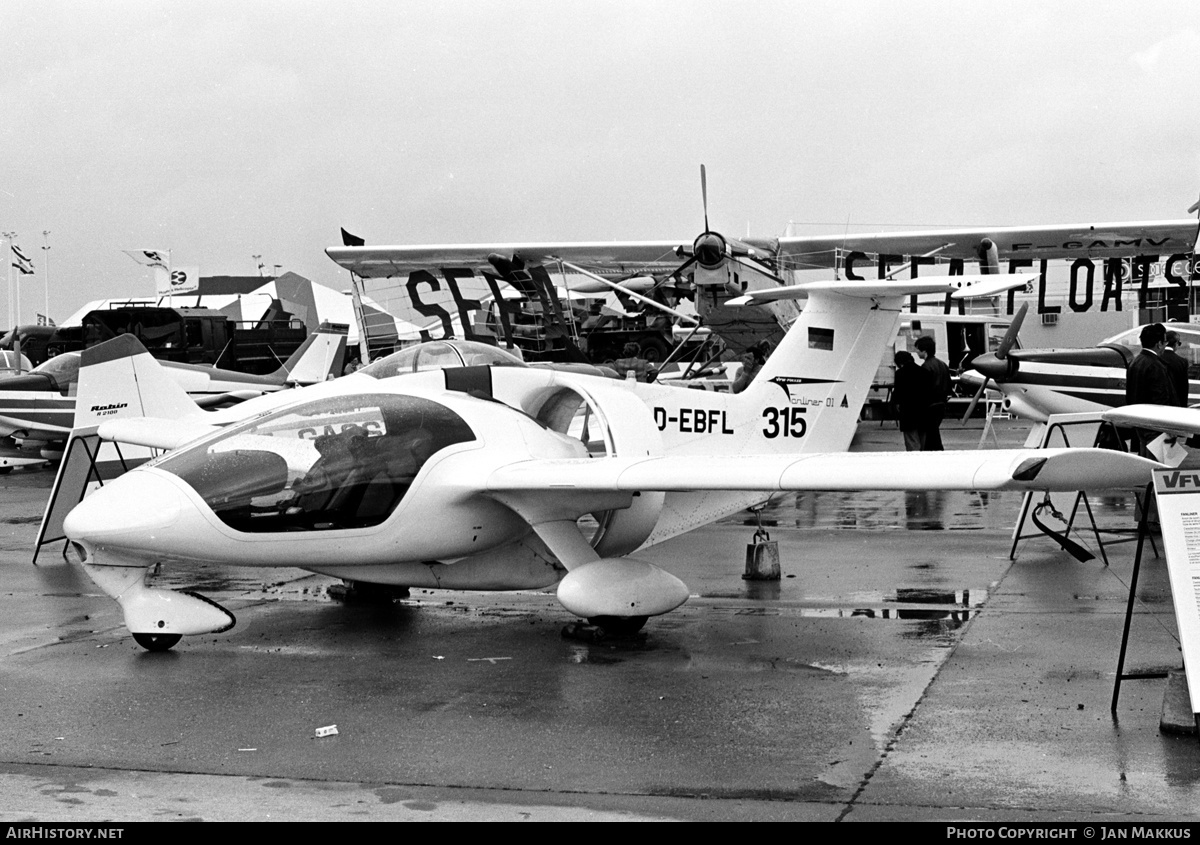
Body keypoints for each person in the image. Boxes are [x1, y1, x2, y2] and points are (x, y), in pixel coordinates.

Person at [1126, 323, 1179, 456]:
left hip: (1141, 421)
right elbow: (1161, 397)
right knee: (1165, 464)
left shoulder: (1136, 362)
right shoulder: (1156, 366)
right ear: (1159, 343)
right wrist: (1170, 426)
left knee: (1146, 460)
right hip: (1157, 425)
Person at [914, 335, 951, 451]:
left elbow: (922, 389)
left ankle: (936, 452)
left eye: (917, 350)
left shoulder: (925, 367)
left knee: (930, 435)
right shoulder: (942, 365)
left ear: (924, 351)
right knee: (933, 433)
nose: (916, 353)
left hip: (929, 405)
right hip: (941, 404)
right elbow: (949, 385)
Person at [891, 350, 931, 451]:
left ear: (900, 363)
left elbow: (898, 393)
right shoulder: (925, 372)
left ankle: (914, 462)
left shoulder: (899, 373)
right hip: (924, 412)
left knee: (912, 442)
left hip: (908, 413)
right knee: (923, 441)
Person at [1161, 330, 1189, 407]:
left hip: (1157, 405)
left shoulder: (1154, 358)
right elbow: (1184, 389)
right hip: (1175, 405)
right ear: (1176, 344)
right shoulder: (1182, 362)